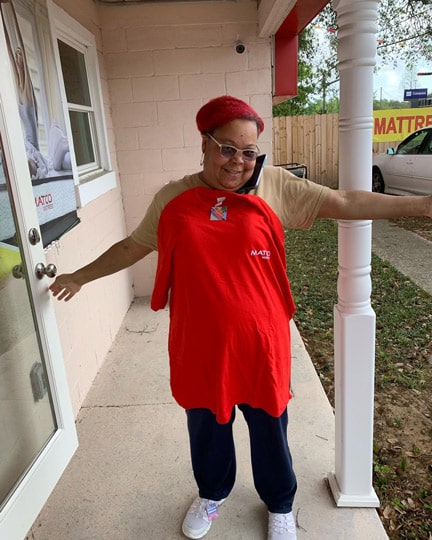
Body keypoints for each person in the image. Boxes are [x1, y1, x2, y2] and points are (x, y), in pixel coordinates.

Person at [49, 95, 432, 540]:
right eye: (227, 148)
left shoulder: (274, 186)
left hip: (260, 342)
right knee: (207, 426)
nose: (238, 162)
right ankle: (212, 493)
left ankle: (280, 505)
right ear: (205, 144)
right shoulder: (173, 198)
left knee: (270, 426)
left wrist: (422, 206)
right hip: (200, 342)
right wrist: (80, 275)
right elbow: (132, 247)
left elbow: (345, 201)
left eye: (249, 152)